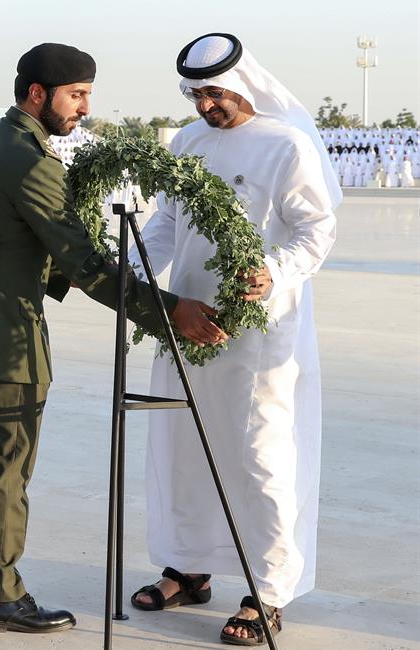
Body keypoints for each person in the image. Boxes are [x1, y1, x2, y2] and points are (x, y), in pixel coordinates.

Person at [0, 43, 225, 635]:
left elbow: (14, 240)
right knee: (5, 466)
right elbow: (84, 263)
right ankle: (0, 597)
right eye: (76, 95)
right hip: (1, 338)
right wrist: (170, 312)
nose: (84, 108)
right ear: (39, 94)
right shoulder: (33, 163)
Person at [127, 33, 339, 646]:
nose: (203, 106)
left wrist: (273, 271)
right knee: (184, 445)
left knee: (261, 456)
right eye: (195, 94)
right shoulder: (190, 143)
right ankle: (188, 569)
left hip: (259, 330)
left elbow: (314, 232)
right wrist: (136, 276)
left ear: (243, 84)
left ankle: (267, 590)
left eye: (213, 93)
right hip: (186, 320)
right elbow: (167, 224)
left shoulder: (288, 144)